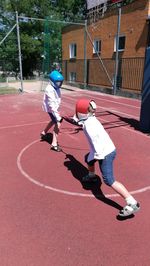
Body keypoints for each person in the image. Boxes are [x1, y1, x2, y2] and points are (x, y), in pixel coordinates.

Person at [74, 98, 140, 217]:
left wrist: (99, 157)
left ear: (81, 112)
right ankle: (91, 176)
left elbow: (96, 142)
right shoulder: (90, 117)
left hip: (105, 153)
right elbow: (83, 117)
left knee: (109, 180)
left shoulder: (89, 126)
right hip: (106, 149)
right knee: (88, 159)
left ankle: (132, 203)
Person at [41, 70, 64, 152]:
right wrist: (58, 116)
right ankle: (54, 144)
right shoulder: (49, 89)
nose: (59, 84)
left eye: (60, 82)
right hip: (51, 109)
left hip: (54, 108)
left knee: (53, 121)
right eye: (58, 82)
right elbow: (51, 104)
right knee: (58, 123)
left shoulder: (56, 87)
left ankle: (44, 132)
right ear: (52, 81)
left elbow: (56, 100)